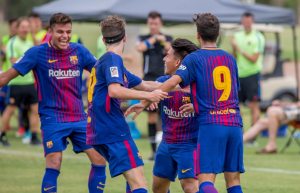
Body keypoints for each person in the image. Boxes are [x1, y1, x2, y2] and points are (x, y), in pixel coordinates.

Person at [126, 13, 244, 193]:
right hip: (233, 122)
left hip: (208, 127)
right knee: (233, 180)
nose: (164, 59)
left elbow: (172, 83)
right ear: (218, 34)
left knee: (204, 182)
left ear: (198, 34)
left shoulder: (194, 60)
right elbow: (228, 93)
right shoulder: (230, 59)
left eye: (168, 56)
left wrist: (144, 101)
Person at [0, 13, 106, 193]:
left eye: (68, 32)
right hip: (53, 118)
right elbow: (4, 77)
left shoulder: (79, 51)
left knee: (99, 158)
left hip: (79, 117)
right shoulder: (36, 53)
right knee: (55, 163)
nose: (65, 36)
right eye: (60, 32)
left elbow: (103, 72)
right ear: (49, 32)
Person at [87, 15, 168, 193]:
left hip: (101, 129)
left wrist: (180, 86)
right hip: (112, 129)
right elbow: (114, 91)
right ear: (124, 38)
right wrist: (148, 97)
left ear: (103, 39)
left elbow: (146, 85)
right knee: (139, 183)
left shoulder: (108, 63)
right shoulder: (112, 59)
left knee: (134, 177)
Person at [152, 38, 199, 193]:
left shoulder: (197, 85)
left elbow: (215, 105)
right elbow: (147, 87)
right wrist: (147, 100)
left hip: (188, 145)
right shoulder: (162, 82)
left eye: (168, 56)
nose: (164, 59)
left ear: (178, 62)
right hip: (166, 144)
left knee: (190, 187)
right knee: (158, 188)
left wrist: (197, 106)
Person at [136, 11, 173, 160]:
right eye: (151, 23)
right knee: (151, 117)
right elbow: (140, 48)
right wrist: (154, 39)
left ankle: (167, 148)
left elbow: (171, 49)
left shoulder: (167, 38)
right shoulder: (145, 38)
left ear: (160, 24)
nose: (153, 26)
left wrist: (162, 41)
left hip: (165, 80)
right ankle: (153, 151)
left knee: (166, 116)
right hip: (149, 80)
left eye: (156, 23)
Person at [0, 17, 41, 146]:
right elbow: (13, 62)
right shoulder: (12, 43)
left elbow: (38, 56)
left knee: (35, 109)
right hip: (16, 83)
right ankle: (2, 135)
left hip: (29, 82)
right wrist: (31, 66)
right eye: (22, 27)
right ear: (17, 28)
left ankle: (33, 137)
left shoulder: (29, 43)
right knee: (10, 109)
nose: (25, 29)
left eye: (27, 27)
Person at [231, 12, 265, 146]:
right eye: (244, 20)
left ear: (253, 21)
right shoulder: (237, 36)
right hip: (238, 75)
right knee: (236, 106)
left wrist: (239, 49)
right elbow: (234, 55)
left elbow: (254, 59)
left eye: (249, 21)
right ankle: (240, 134)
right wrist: (235, 49)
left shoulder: (258, 37)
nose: (246, 23)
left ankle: (253, 137)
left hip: (252, 74)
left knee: (253, 106)